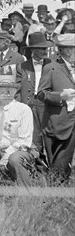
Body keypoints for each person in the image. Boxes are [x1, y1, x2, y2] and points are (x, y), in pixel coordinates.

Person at [36, 33, 75, 181]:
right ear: (66, 50)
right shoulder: (51, 68)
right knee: (58, 165)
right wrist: (60, 97)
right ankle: (55, 196)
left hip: (73, 122)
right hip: (59, 123)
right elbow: (41, 94)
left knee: (66, 164)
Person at [0, 75, 35, 185]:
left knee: (14, 159)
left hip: (17, 152)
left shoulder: (23, 110)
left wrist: (6, 155)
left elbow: (24, 141)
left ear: (9, 92)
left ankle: (27, 193)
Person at [16, 32, 53, 161]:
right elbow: (17, 87)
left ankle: (55, 171)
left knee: (49, 137)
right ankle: (37, 170)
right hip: (29, 106)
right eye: (42, 48)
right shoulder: (22, 66)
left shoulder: (53, 65)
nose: (45, 51)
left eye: (46, 48)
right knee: (33, 138)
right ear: (33, 49)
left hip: (47, 105)